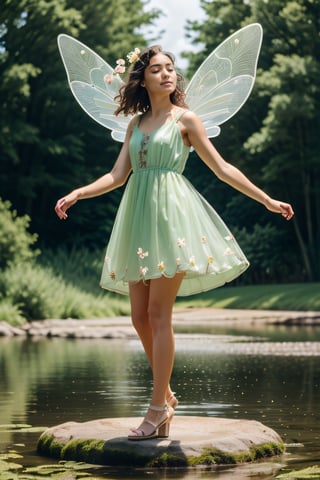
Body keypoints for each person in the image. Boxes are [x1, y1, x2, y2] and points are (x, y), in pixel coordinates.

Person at [55, 45, 294, 441]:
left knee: (159, 314)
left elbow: (222, 168)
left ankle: (155, 409)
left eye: (170, 68)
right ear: (142, 79)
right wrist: (79, 192)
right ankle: (166, 397)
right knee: (138, 317)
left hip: (172, 220)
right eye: (156, 69)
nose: (166, 74)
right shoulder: (134, 125)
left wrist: (266, 199)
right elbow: (117, 175)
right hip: (137, 219)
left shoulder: (187, 120)